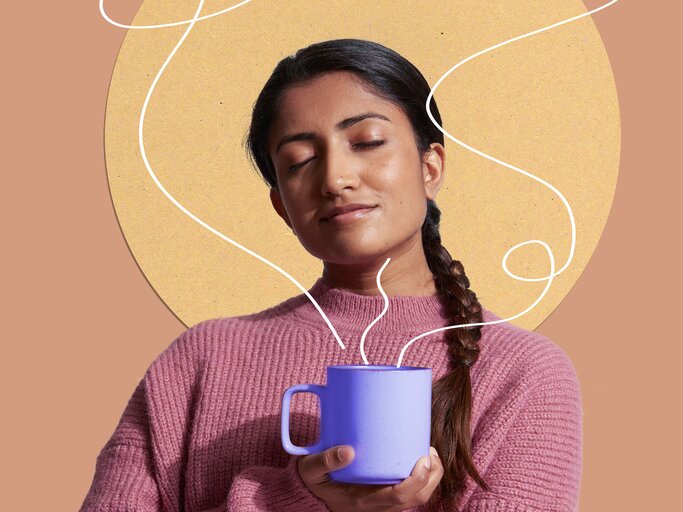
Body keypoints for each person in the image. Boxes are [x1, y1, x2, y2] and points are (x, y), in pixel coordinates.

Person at [80, 39, 582, 512]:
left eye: (366, 141)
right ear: (282, 205)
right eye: (300, 160)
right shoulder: (197, 361)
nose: (336, 179)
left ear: (430, 168)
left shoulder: (525, 374)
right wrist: (290, 498)